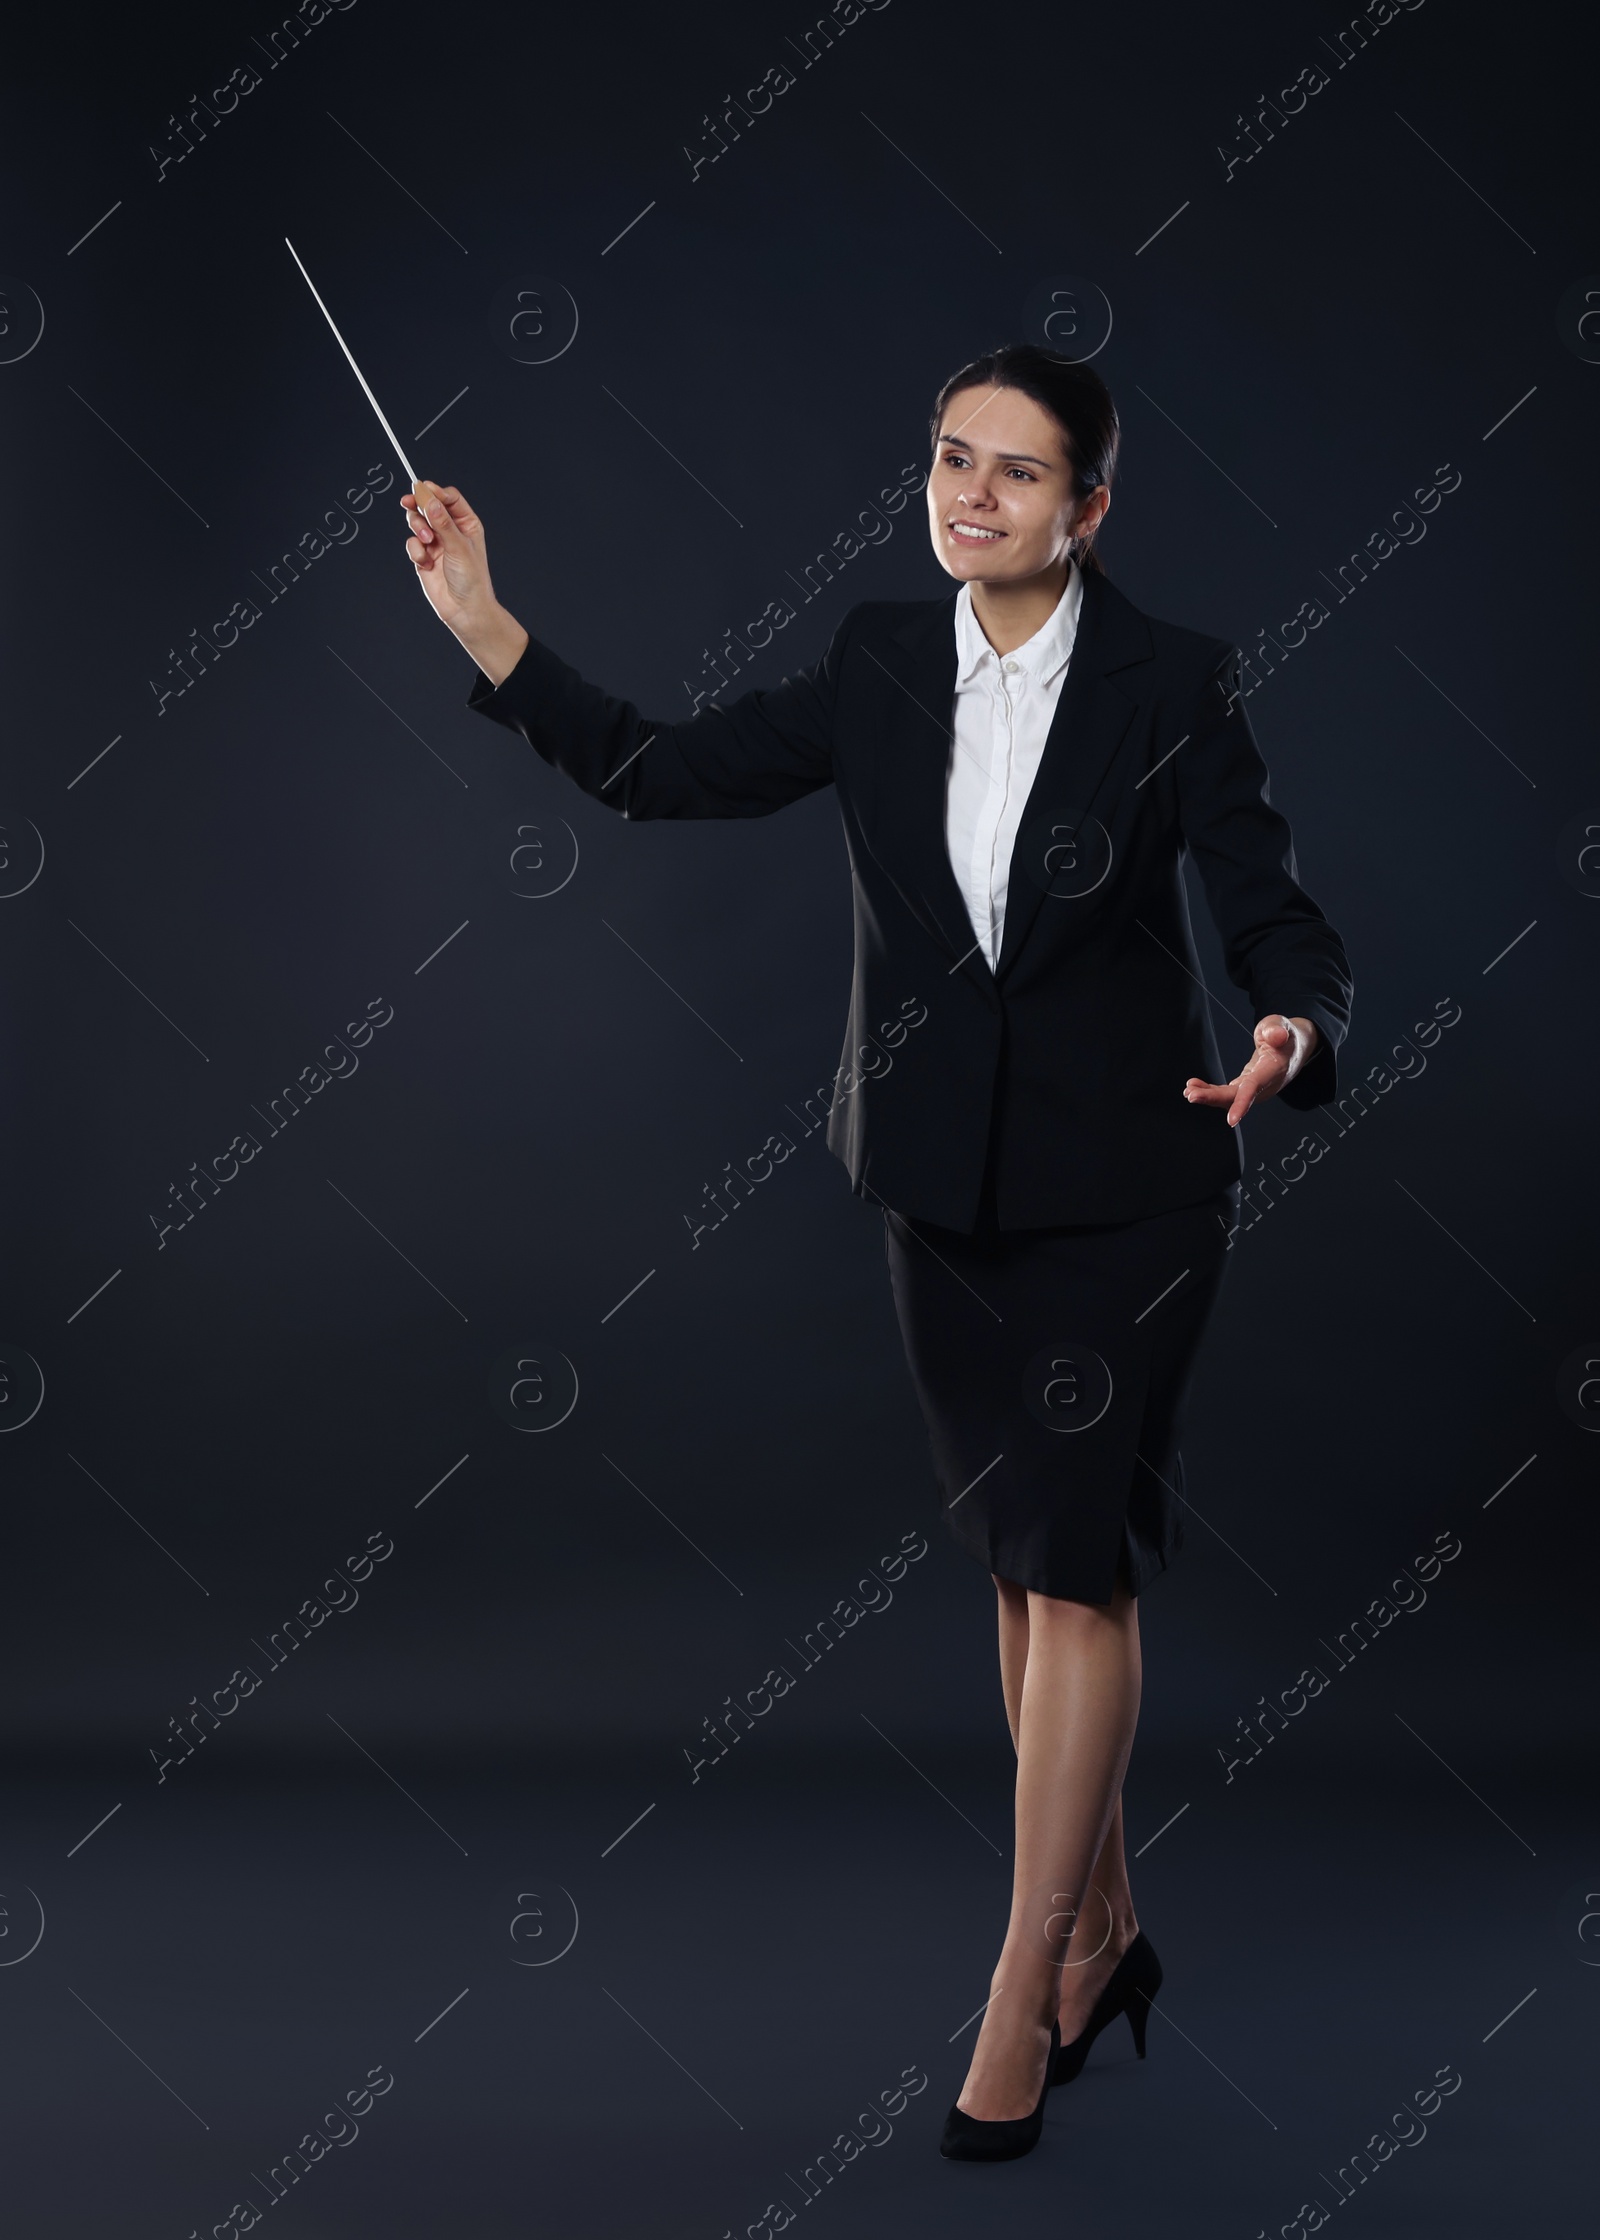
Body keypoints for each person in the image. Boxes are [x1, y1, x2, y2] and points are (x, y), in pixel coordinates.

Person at [397, 343, 1353, 2163]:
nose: (968, 494)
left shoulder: (1171, 684)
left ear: (1088, 509)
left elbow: (1278, 918)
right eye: (946, 457)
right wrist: (487, 624)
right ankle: (1113, 1931)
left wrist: (1291, 1036)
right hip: (943, 1195)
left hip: (1133, 1191)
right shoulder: (878, 664)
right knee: (1018, 1571)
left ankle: (1025, 1984)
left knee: (1079, 1575)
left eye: (1014, 470)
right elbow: (659, 771)